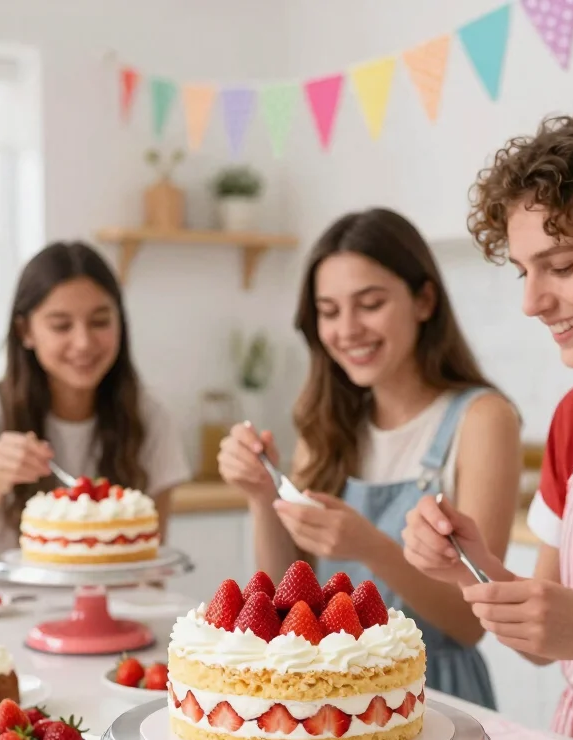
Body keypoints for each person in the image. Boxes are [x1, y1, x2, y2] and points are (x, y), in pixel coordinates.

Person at [402, 105, 573, 740]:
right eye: (524, 272)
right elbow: (547, 639)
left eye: (560, 267)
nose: (531, 302)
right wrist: (474, 567)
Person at [218, 208, 521, 708]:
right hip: (334, 699)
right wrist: (261, 495)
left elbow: (471, 623)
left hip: (438, 697)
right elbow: (287, 599)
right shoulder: (328, 421)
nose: (348, 329)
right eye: (329, 311)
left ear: (424, 300)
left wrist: (372, 547)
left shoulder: (483, 419)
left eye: (370, 304)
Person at [0, 241, 189, 569]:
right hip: (16, 603)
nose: (83, 342)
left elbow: (151, 561)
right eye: (61, 326)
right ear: (25, 331)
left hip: (123, 602)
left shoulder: (148, 416)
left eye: (100, 322)